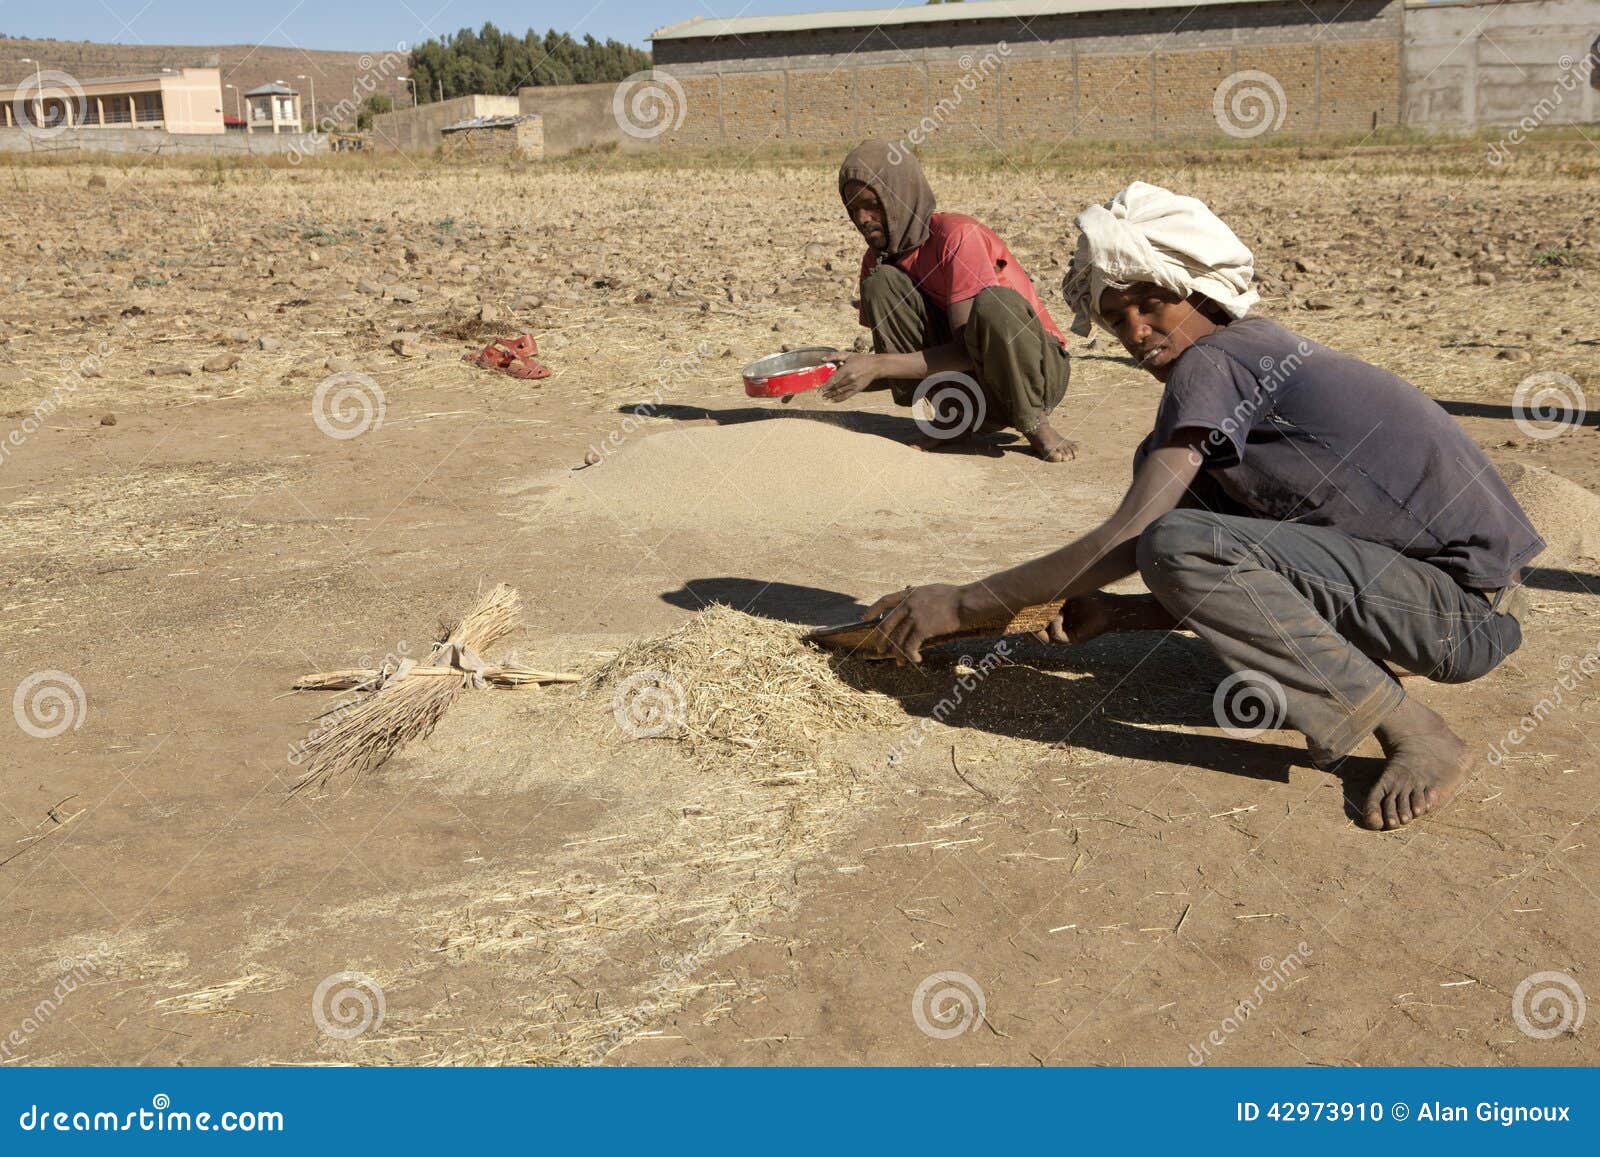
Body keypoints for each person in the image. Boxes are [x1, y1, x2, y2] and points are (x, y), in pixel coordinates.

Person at [856, 182, 1543, 831]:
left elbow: (1136, 536)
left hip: (1459, 612)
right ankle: (1359, 673)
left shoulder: (1215, 360)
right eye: (1116, 316)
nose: (1136, 330)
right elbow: (1262, 558)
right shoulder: (1247, 357)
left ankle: (1412, 728)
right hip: (1435, 603)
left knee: (1172, 538)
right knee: (1170, 488)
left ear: (1200, 290)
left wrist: (960, 604)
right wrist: (1122, 613)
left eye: (1151, 303)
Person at [820, 140, 1076, 462]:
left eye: (873, 204)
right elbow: (898, 359)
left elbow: (968, 349)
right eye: (853, 208)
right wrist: (823, 375)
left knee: (994, 304)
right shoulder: (877, 261)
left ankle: (1035, 422)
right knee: (881, 282)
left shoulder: (957, 236)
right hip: (974, 385)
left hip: (1035, 373)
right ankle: (953, 416)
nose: (863, 218)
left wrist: (876, 365)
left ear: (899, 196)